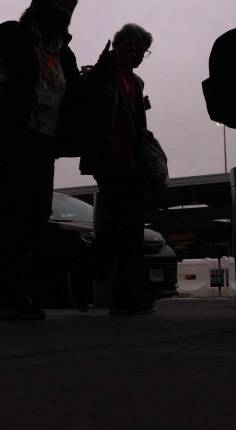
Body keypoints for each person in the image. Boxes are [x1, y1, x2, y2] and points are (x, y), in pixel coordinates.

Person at [0, 0, 113, 321]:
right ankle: (13, 296)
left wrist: (103, 70)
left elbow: (76, 95)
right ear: (40, 5)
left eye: (70, 8)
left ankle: (5, 279)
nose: (65, 13)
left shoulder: (64, 52)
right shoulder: (11, 34)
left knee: (37, 213)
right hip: (6, 136)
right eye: (60, 5)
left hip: (43, 141)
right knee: (16, 211)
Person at [68, 24, 158, 316]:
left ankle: (121, 294)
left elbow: (135, 123)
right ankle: (94, 278)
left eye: (143, 52)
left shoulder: (137, 83)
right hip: (108, 158)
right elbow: (82, 95)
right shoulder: (103, 72)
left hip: (131, 161)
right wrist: (107, 63)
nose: (138, 57)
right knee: (125, 226)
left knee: (126, 228)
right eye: (133, 50)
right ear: (119, 47)